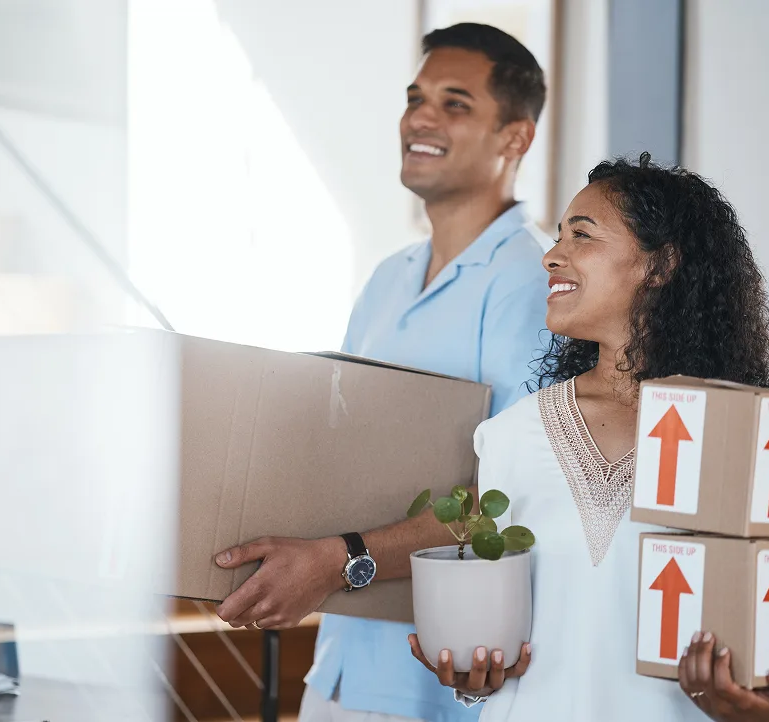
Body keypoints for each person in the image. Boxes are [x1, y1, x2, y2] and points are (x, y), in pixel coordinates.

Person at [407, 155, 769, 721]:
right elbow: (503, 639)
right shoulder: (510, 437)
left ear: (660, 265)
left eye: (582, 235)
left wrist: (767, 714)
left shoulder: (760, 442)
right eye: (558, 236)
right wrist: (474, 675)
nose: (551, 255)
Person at [212, 24, 552, 722]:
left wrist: (340, 559)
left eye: (455, 103)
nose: (420, 117)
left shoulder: (531, 283)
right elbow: (341, 453)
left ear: (515, 137)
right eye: (415, 98)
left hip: (444, 684)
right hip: (341, 665)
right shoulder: (386, 280)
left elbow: (511, 493)